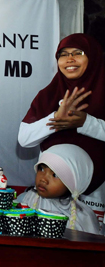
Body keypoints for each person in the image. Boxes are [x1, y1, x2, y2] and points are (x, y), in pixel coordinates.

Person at [18, 34, 105, 196]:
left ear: (93, 57)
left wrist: (85, 122)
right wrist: (55, 119)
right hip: (51, 188)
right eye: (63, 54)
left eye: (78, 53)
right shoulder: (47, 94)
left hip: (97, 191)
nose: (70, 59)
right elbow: (24, 139)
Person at [19, 144, 100, 234]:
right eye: (41, 169)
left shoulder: (84, 218)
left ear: (73, 184)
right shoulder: (24, 200)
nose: (43, 179)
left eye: (55, 175)